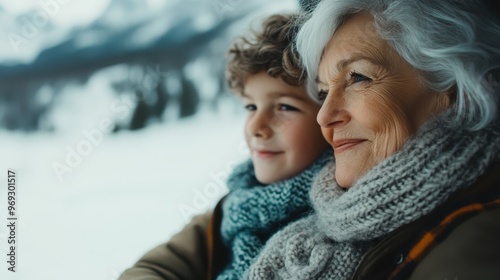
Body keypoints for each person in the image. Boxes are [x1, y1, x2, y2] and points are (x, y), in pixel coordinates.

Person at [247, 0, 500, 279]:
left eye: (358, 78)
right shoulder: (329, 230)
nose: (324, 116)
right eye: (322, 93)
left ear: (456, 86)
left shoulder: (474, 246)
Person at [118, 13, 331, 280]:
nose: (256, 126)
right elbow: (152, 269)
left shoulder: (345, 218)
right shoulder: (232, 210)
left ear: (331, 116)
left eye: (285, 107)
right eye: (251, 106)